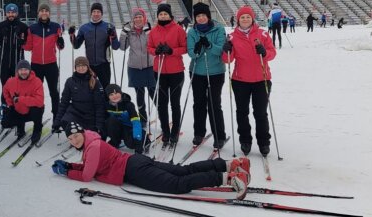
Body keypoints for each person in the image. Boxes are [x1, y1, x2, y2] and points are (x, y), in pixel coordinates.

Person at [51, 122, 251, 199]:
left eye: (76, 136)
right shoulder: (92, 141)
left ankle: (228, 178)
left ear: (82, 133)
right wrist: (70, 165)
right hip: (135, 161)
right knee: (182, 171)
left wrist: (68, 172)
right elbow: (90, 167)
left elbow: (87, 176)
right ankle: (229, 164)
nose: (74, 140)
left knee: (177, 185)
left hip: (132, 170)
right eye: (70, 139)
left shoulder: (92, 147)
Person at [221, 6, 277, 157]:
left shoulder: (262, 34)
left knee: (260, 113)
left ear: (252, 19)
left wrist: (265, 53)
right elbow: (227, 60)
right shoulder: (232, 37)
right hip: (240, 80)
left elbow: (272, 53)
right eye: (242, 17)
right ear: (238, 19)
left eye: (248, 17)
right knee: (242, 112)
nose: (245, 19)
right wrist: (227, 50)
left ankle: (264, 142)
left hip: (262, 79)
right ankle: (245, 140)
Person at [187, 2, 228, 149]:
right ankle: (199, 133)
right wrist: (198, 48)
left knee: (213, 104)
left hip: (215, 72)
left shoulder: (219, 29)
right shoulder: (192, 32)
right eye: (198, 16)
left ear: (208, 16)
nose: (201, 18)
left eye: (203, 15)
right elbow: (192, 53)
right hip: (197, 72)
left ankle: (219, 135)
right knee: (198, 103)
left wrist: (209, 45)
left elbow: (221, 51)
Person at [147, 3, 187, 147]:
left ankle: (175, 131)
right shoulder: (153, 31)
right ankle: (166, 131)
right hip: (159, 71)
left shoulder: (178, 29)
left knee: (175, 103)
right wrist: (155, 51)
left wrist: (172, 51)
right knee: (162, 104)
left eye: (165, 14)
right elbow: (149, 47)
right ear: (157, 16)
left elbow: (185, 48)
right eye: (160, 14)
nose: (163, 16)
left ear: (170, 15)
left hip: (176, 71)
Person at [23, 3, 64, 123]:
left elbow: (60, 47)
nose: (44, 12)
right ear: (38, 13)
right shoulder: (32, 28)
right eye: (42, 11)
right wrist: (21, 42)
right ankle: (36, 118)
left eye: (46, 10)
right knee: (36, 93)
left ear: (49, 13)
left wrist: (61, 41)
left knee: (54, 93)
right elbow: (28, 47)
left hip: (51, 64)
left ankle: (56, 118)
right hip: (36, 65)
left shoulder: (56, 27)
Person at [69, 3, 120, 88]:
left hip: (104, 64)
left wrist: (113, 36)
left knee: (106, 90)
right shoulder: (84, 28)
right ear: (91, 13)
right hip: (89, 66)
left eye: (98, 12)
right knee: (90, 90)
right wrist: (72, 35)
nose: (96, 14)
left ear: (102, 13)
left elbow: (115, 47)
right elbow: (76, 45)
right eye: (94, 11)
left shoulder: (109, 26)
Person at [119, 8, 155, 125]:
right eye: (135, 17)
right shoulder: (130, 31)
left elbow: (154, 43)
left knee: (153, 93)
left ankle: (163, 114)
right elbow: (123, 47)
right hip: (134, 67)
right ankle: (143, 119)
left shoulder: (150, 28)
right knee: (139, 94)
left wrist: (148, 31)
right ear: (132, 19)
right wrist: (124, 33)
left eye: (140, 17)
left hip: (149, 65)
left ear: (144, 18)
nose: (138, 19)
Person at [54, 57, 106, 135]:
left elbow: (100, 105)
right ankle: (76, 136)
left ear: (87, 67)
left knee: (92, 133)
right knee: (65, 122)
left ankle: (84, 133)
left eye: (83, 66)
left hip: (90, 114)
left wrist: (99, 125)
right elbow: (64, 102)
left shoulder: (95, 82)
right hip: (75, 112)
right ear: (75, 68)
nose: (81, 68)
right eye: (78, 66)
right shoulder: (70, 81)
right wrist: (57, 121)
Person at [0, 3, 29, 106]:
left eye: (13, 12)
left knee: (19, 87)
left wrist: (23, 42)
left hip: (18, 62)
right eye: (9, 12)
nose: (11, 14)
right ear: (6, 13)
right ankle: (5, 109)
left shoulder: (23, 27)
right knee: (6, 86)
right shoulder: (0, 26)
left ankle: (19, 110)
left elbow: (29, 45)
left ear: (17, 13)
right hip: (4, 61)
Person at [2, 60, 46, 145]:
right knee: (5, 123)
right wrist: (10, 104)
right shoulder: (11, 81)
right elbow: (5, 91)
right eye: (21, 70)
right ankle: (20, 127)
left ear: (29, 70)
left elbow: (39, 101)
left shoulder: (37, 81)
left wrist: (20, 99)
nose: (23, 72)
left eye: (25, 69)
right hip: (18, 110)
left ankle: (37, 129)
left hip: (31, 112)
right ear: (17, 71)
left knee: (37, 109)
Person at [104, 84, 146, 154]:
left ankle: (144, 138)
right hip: (116, 129)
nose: (115, 96)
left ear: (120, 93)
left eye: (116, 93)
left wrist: (138, 140)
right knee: (111, 120)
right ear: (108, 96)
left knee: (131, 144)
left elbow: (136, 122)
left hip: (128, 128)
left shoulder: (128, 105)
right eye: (111, 94)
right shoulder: (106, 106)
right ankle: (115, 142)